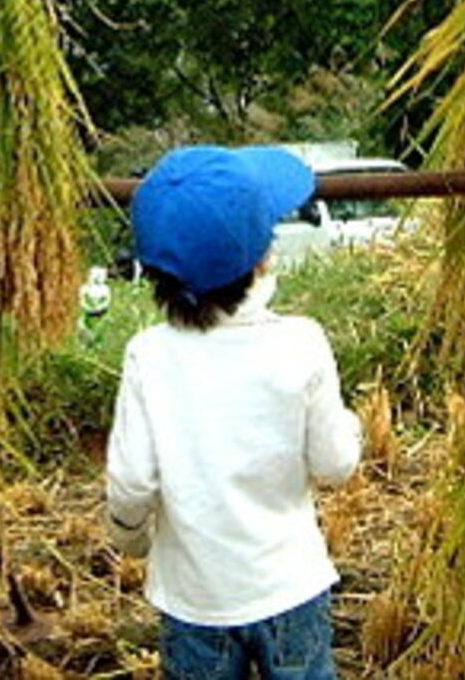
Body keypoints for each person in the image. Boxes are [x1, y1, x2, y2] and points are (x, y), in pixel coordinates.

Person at [105, 144, 363, 680]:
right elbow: (336, 465)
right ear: (263, 255)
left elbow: (130, 486)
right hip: (289, 588)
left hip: (193, 599)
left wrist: (133, 541)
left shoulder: (149, 357)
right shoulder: (301, 343)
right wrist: (355, 429)